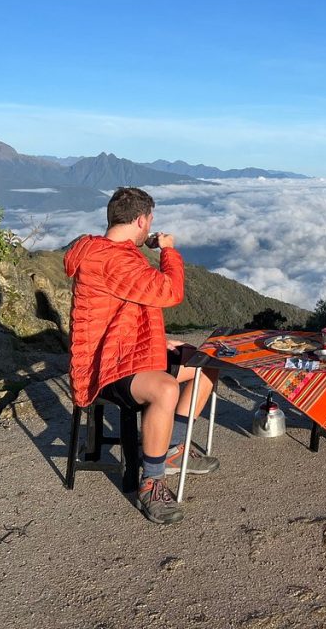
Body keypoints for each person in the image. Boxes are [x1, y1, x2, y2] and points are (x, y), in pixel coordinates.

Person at [65, 187, 219, 525]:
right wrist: (168, 251)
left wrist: (160, 340)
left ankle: (172, 448)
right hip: (104, 366)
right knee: (165, 388)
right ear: (140, 220)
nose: (150, 229)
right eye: (149, 222)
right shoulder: (111, 258)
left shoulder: (113, 252)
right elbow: (169, 292)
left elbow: (126, 307)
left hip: (126, 351)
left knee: (205, 364)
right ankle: (151, 482)